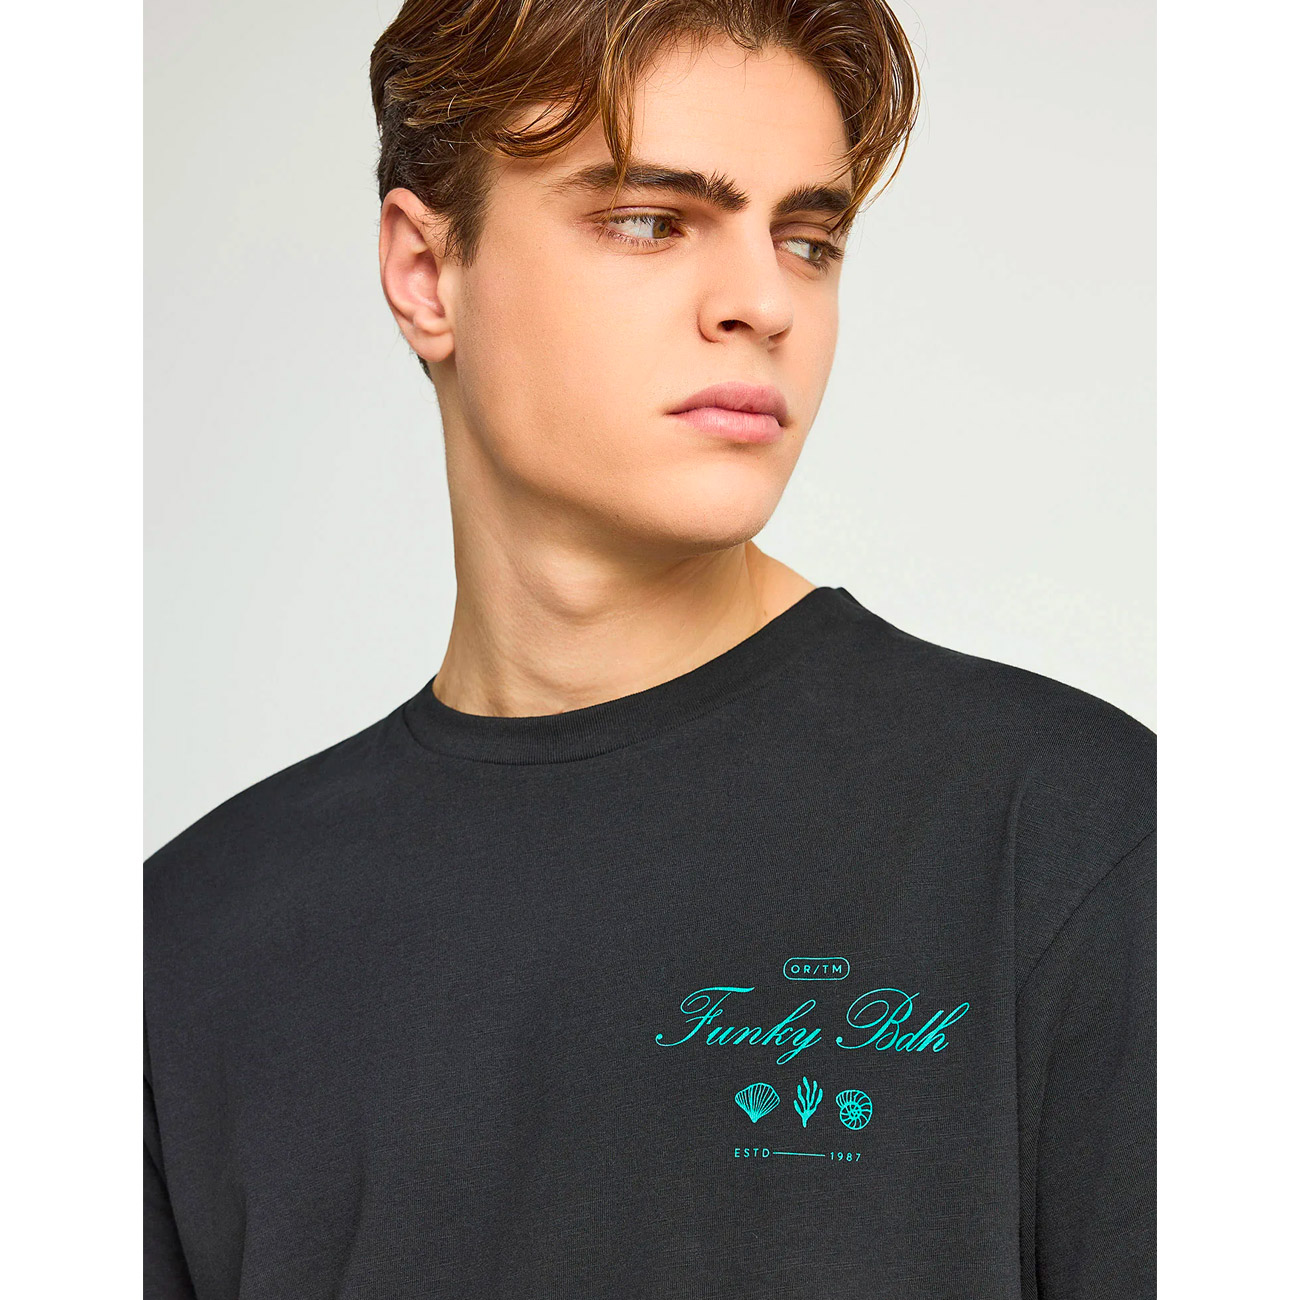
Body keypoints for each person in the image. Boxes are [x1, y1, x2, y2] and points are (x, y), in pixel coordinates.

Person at [144, 2, 1155, 1297]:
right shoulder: (183, 947)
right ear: (426, 273)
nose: (762, 302)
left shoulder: (1078, 839)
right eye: (649, 221)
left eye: (807, 239)